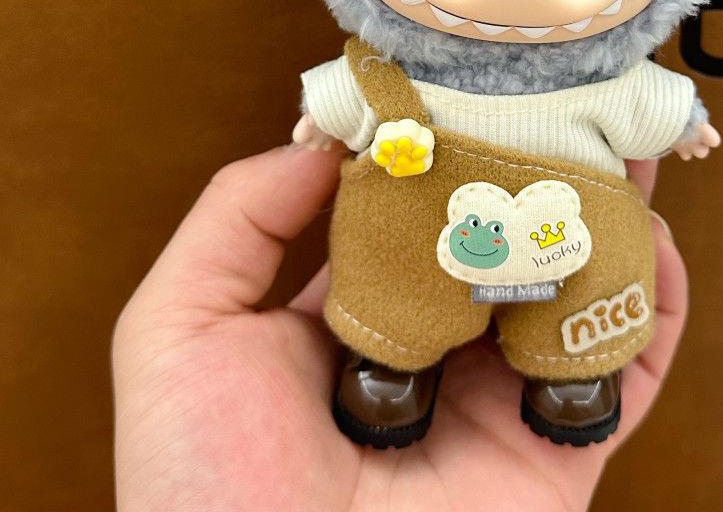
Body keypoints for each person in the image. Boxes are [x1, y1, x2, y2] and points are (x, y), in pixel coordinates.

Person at [113, 143, 688, 511]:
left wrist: (677, 118)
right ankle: (393, 356)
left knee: (588, 280)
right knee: (397, 289)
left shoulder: (599, 72)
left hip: (563, 231)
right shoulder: (392, 69)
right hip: (419, 210)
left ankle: (569, 364)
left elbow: (642, 107)